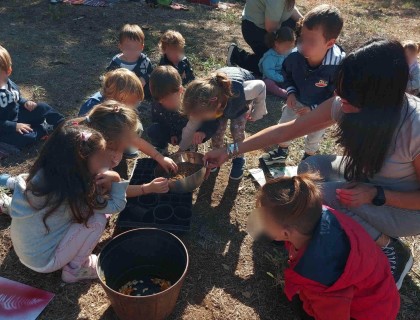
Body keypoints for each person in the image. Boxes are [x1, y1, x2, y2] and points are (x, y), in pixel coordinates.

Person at [204, 39, 419, 289]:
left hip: (404, 207)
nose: (338, 98)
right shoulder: (348, 103)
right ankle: (330, 233)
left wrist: (377, 194)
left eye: (347, 95)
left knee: (320, 196)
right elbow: (287, 131)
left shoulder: (414, 128)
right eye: (339, 89)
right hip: (366, 179)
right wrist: (229, 150)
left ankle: (390, 249)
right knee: (310, 168)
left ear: (377, 98)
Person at [250, 173, 400, 320]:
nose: (260, 223)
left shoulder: (319, 274)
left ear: (286, 233)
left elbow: (333, 315)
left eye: (264, 221)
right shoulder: (318, 214)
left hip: (367, 313)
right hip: (379, 292)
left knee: (301, 307)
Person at [9, 124, 128, 283]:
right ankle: (76, 269)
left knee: (90, 213)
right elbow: (116, 206)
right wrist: (116, 179)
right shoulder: (76, 193)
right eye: (101, 156)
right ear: (81, 161)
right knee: (97, 220)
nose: (107, 159)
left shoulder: (44, 175)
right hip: (44, 262)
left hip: (26, 252)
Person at [262, 4, 345, 164]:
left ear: (330, 43)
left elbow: (335, 95)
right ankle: (281, 152)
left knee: (315, 132)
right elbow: (287, 75)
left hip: (320, 107)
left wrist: (314, 109)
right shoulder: (294, 57)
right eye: (302, 38)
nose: (303, 45)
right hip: (297, 100)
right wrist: (291, 92)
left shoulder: (338, 67)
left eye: (311, 41)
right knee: (284, 125)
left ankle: (308, 158)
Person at [182, 67, 266, 180]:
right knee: (217, 131)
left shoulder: (241, 91)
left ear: (215, 105)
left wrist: (257, 112)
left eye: (202, 117)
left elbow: (261, 86)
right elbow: (191, 128)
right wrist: (182, 149)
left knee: (237, 130)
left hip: (239, 103)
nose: (199, 119)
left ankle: (239, 157)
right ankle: (216, 154)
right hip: (221, 104)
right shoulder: (203, 103)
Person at [0, 45, 64, 149]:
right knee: (24, 138)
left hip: (18, 115)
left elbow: (17, 98)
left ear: (8, 71)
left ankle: (62, 124)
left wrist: (24, 102)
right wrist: (14, 126)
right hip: (4, 129)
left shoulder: (9, 84)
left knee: (42, 107)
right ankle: (42, 130)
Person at [147, 66, 218, 154]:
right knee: (153, 130)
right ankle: (162, 150)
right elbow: (159, 120)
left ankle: (190, 148)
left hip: (191, 134)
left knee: (187, 151)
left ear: (180, 90)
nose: (164, 104)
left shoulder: (192, 102)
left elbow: (212, 121)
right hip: (173, 132)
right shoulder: (158, 102)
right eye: (160, 101)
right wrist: (172, 134)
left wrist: (203, 132)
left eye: (168, 100)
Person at [226, 0, 302, 75]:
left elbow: (289, 7)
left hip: (268, 25)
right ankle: (236, 55)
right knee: (272, 65)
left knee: (297, 25)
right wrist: (283, 49)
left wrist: (304, 22)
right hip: (254, 30)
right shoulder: (276, 1)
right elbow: (270, 27)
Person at [106, 24, 153, 98]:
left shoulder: (145, 61)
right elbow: (109, 81)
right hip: (122, 96)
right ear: (120, 46)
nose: (132, 51)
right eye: (128, 47)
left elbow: (152, 74)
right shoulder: (116, 63)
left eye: (136, 47)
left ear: (142, 47)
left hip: (142, 95)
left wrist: (145, 78)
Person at [78, 68, 144, 116]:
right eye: (133, 103)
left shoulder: (119, 106)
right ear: (120, 99)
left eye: (137, 103)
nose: (135, 107)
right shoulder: (92, 109)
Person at [258, 26, 295, 98]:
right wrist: (282, 78)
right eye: (286, 47)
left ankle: (294, 91)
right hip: (273, 78)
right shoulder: (270, 56)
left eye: (291, 47)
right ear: (276, 44)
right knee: (268, 83)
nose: (289, 49)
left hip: (285, 77)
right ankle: (283, 93)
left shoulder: (287, 53)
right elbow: (269, 72)